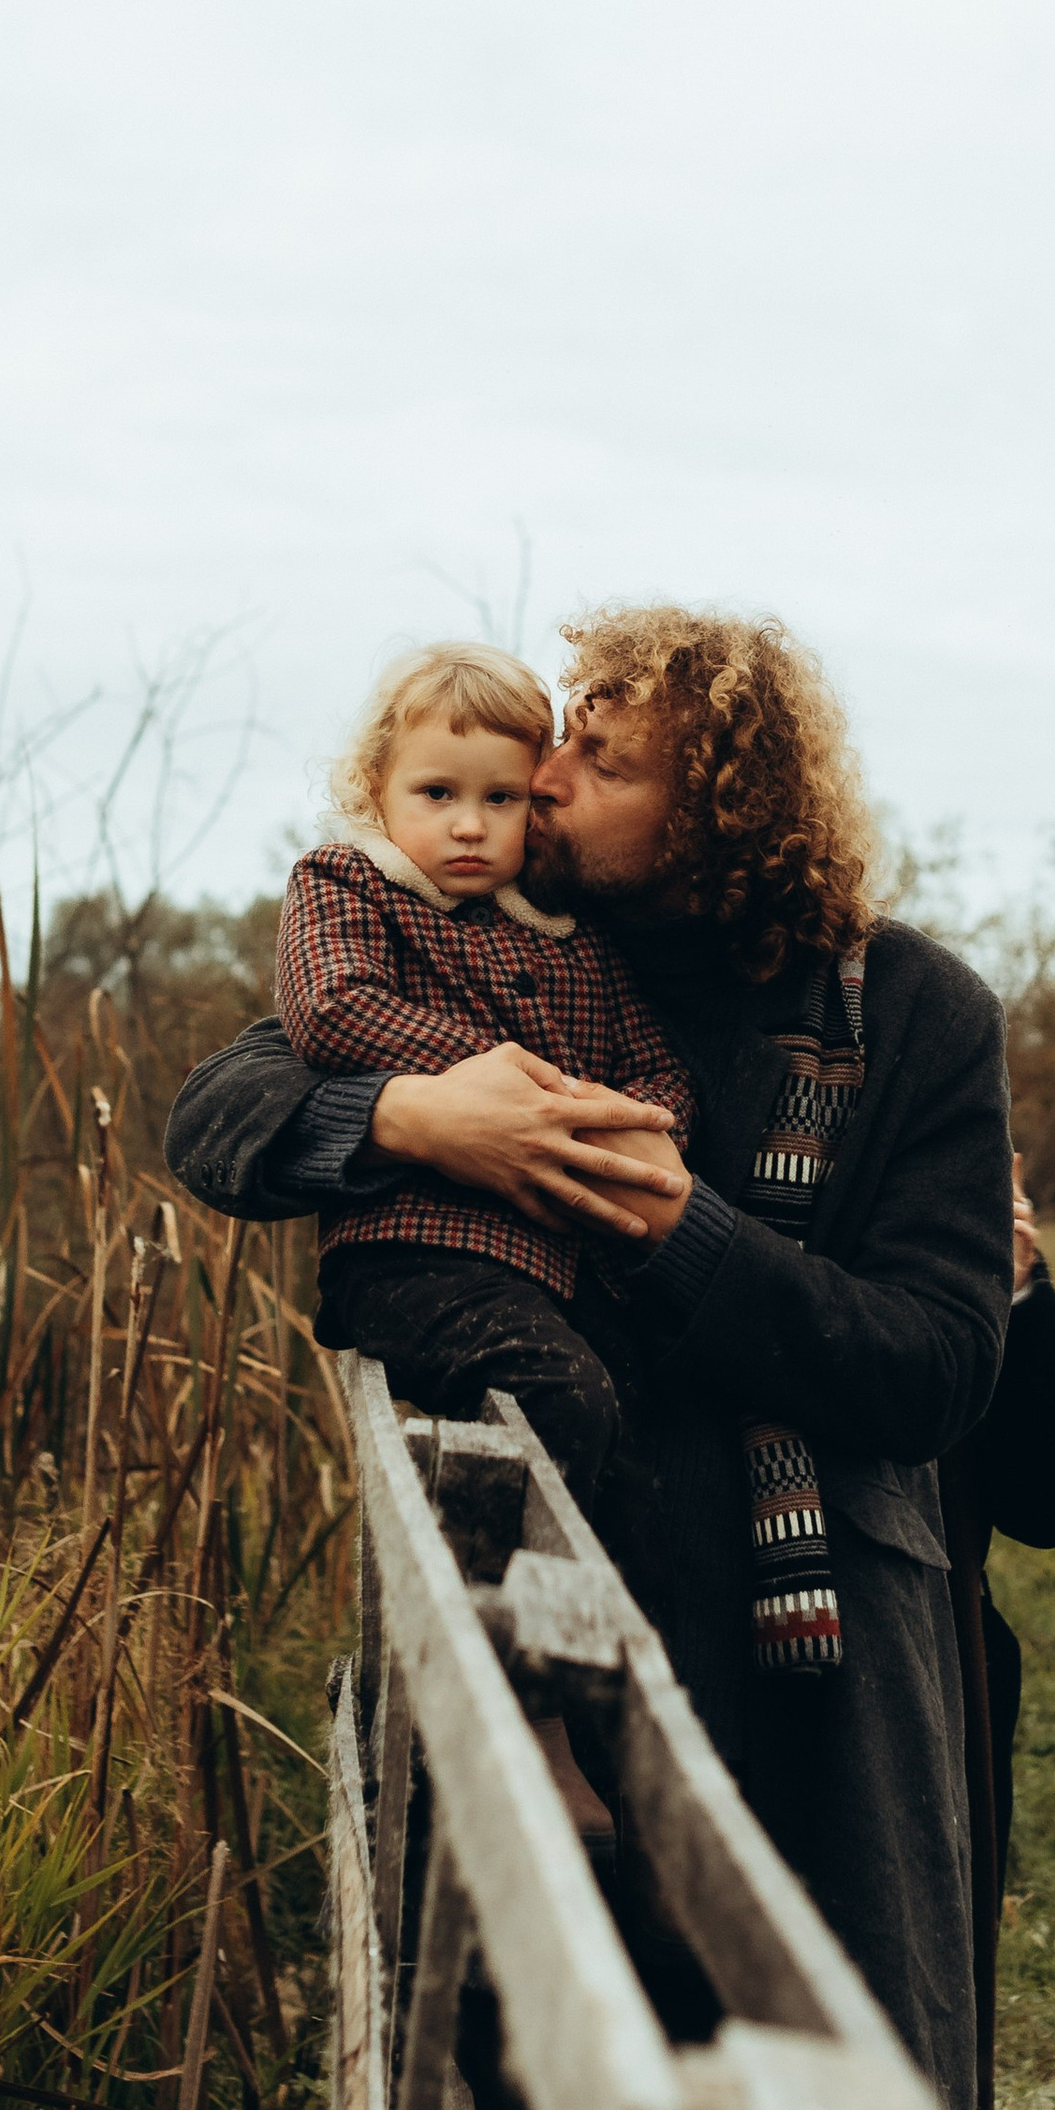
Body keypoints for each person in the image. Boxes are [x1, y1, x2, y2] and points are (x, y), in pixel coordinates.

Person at [174, 603, 1022, 2110]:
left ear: (717, 812)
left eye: (601, 759)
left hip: (811, 1641)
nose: (545, 778)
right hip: (569, 1575)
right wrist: (405, 1118)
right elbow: (224, 1105)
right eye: (558, 737)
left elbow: (943, 1364)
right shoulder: (507, 938)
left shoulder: (911, 1015)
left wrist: (683, 1231)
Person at [278, 639, 696, 1547]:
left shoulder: (572, 937)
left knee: (643, 1443)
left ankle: (609, 1653)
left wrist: (643, 1127)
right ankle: (483, 1617)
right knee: (561, 1399)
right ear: (377, 790)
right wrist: (506, 1080)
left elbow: (654, 1067)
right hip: (413, 1253)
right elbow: (332, 1009)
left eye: (498, 798)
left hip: (556, 1269)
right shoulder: (349, 884)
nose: (469, 825)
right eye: (438, 794)